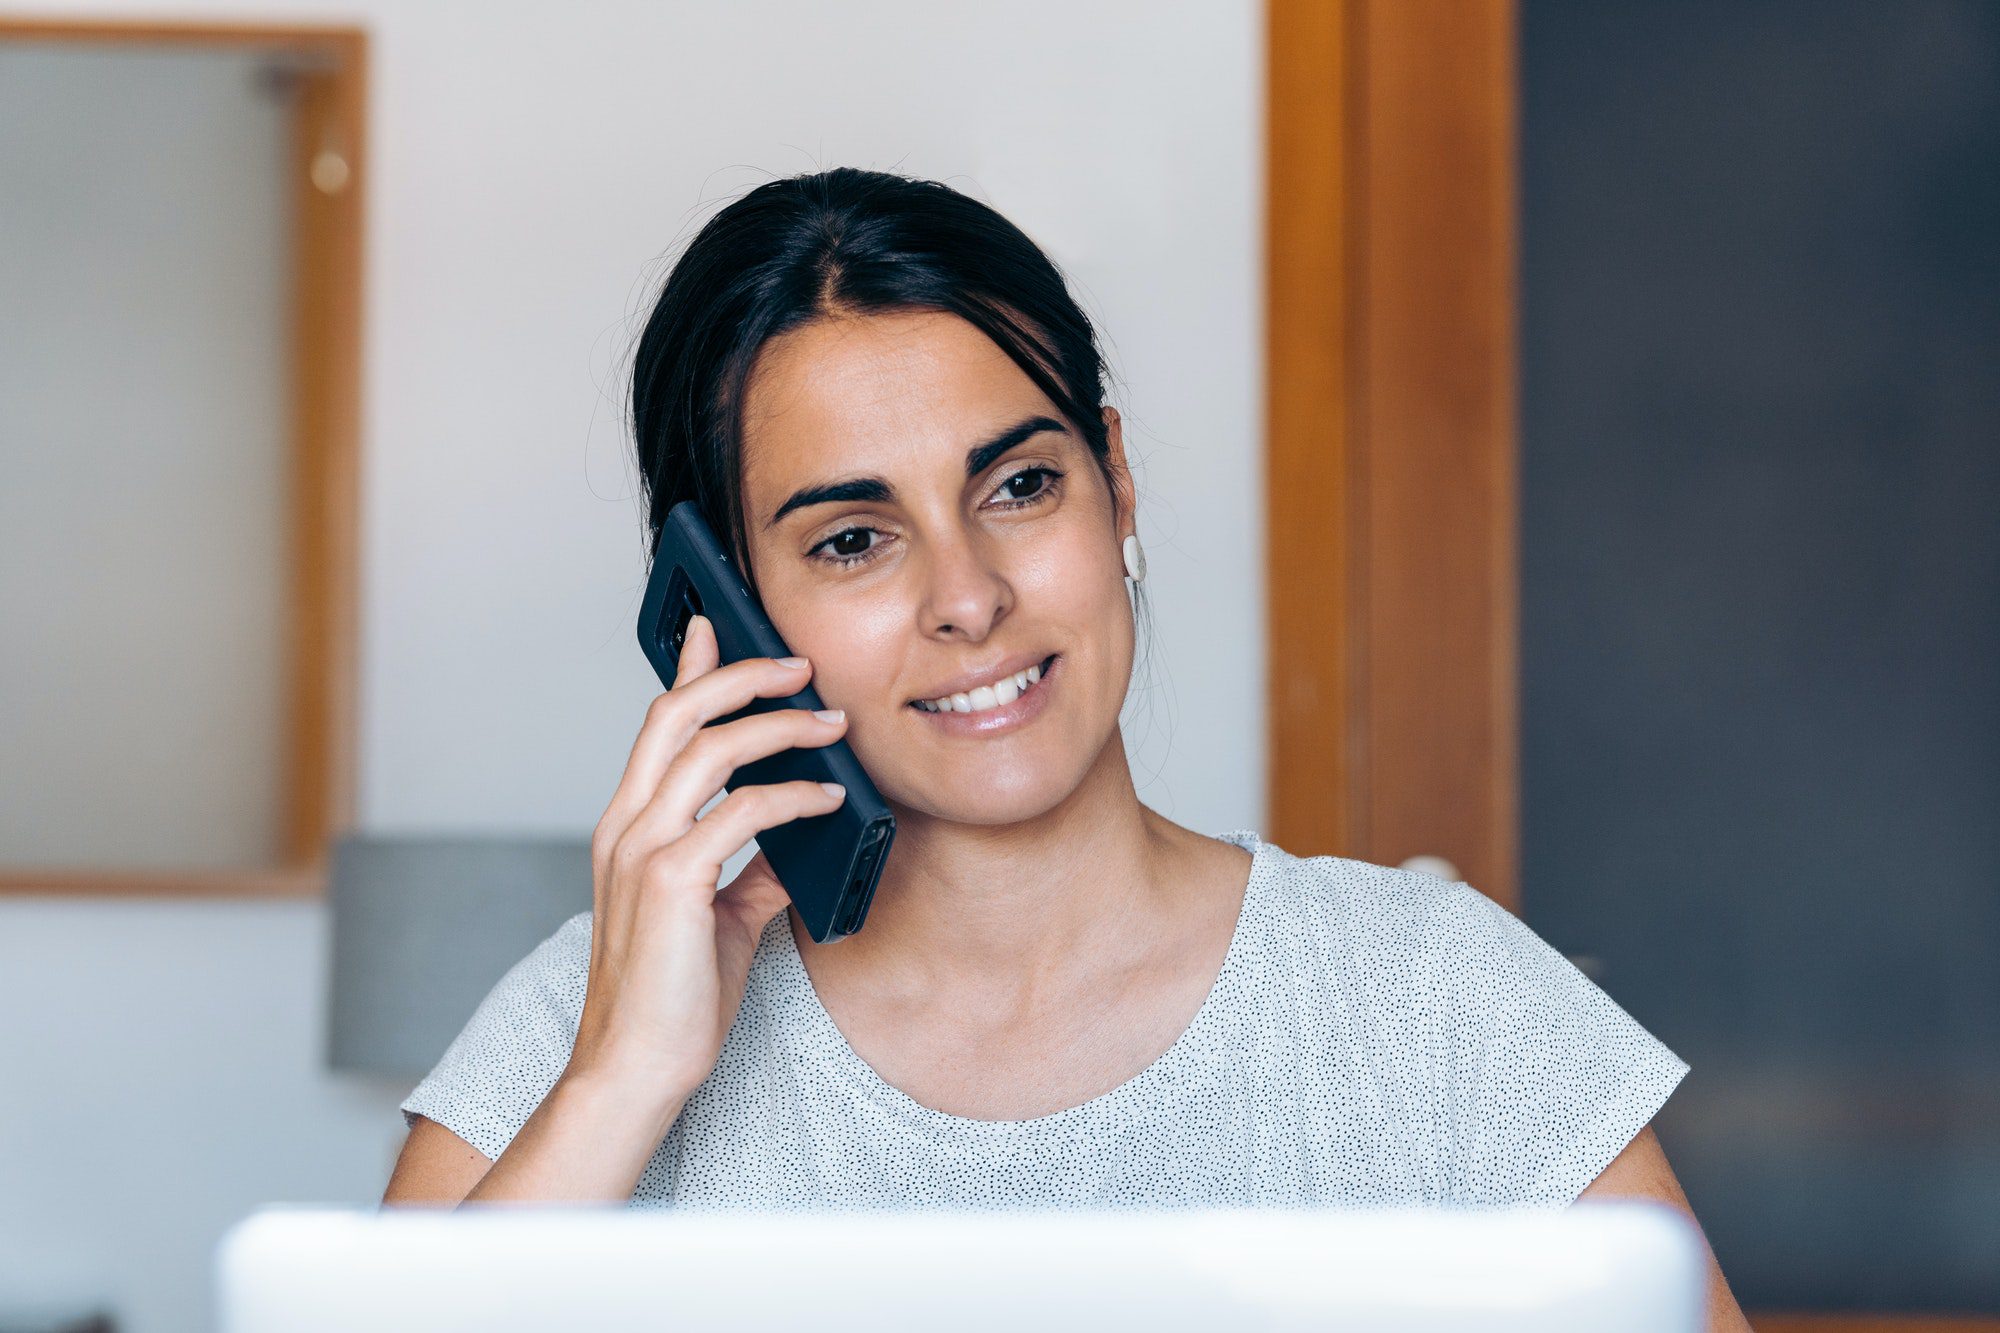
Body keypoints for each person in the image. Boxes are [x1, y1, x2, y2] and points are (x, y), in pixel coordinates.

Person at [381, 168, 1750, 1331]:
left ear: (1116, 483)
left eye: (1019, 484)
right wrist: (623, 1084)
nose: (969, 596)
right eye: (853, 539)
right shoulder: (585, 1033)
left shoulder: (1432, 1005)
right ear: (726, 609)